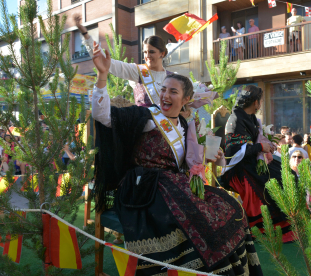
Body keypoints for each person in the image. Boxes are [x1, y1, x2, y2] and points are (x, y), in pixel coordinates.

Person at [91, 44, 263, 275]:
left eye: (173, 92)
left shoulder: (184, 125)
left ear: (187, 99)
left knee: (228, 204)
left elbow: (188, 161)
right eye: (163, 90)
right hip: (144, 187)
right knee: (193, 215)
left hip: (173, 183)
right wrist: (102, 76)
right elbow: (101, 115)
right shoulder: (145, 116)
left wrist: (212, 157)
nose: (165, 95)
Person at [221, 85, 295, 243]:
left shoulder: (252, 118)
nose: (260, 104)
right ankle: (265, 228)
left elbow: (254, 141)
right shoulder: (235, 119)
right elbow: (232, 151)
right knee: (272, 179)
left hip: (253, 162)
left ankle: (288, 222)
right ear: (256, 102)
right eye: (260, 101)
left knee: (289, 174)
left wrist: (266, 146)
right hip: (240, 167)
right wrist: (261, 147)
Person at [74, 14, 173, 107]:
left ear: (162, 53)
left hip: (165, 124)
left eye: (151, 52)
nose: (147, 56)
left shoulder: (171, 77)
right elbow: (107, 62)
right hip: (143, 123)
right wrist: (86, 35)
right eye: (145, 52)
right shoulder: (137, 71)